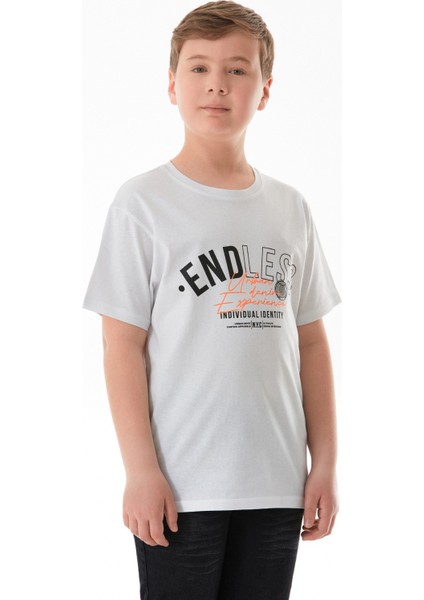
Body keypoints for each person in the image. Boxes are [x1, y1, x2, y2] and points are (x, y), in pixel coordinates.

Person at [83, 1, 341, 598]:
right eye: (199, 67)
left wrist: (324, 463)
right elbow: (120, 345)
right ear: (172, 85)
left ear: (265, 90)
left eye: (237, 69)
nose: (217, 84)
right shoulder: (142, 203)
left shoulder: (290, 208)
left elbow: (310, 342)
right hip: (181, 488)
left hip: (277, 485)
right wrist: (140, 470)